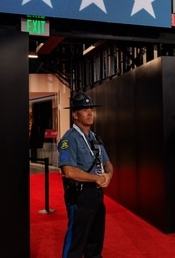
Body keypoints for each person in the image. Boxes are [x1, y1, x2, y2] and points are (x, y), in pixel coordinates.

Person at [57, 92, 113, 258]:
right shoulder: (69, 139)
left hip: (96, 194)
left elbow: (108, 163)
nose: (90, 113)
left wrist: (108, 175)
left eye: (91, 109)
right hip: (79, 197)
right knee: (76, 242)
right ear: (75, 114)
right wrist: (97, 178)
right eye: (84, 110)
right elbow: (69, 171)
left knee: (95, 242)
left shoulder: (95, 137)